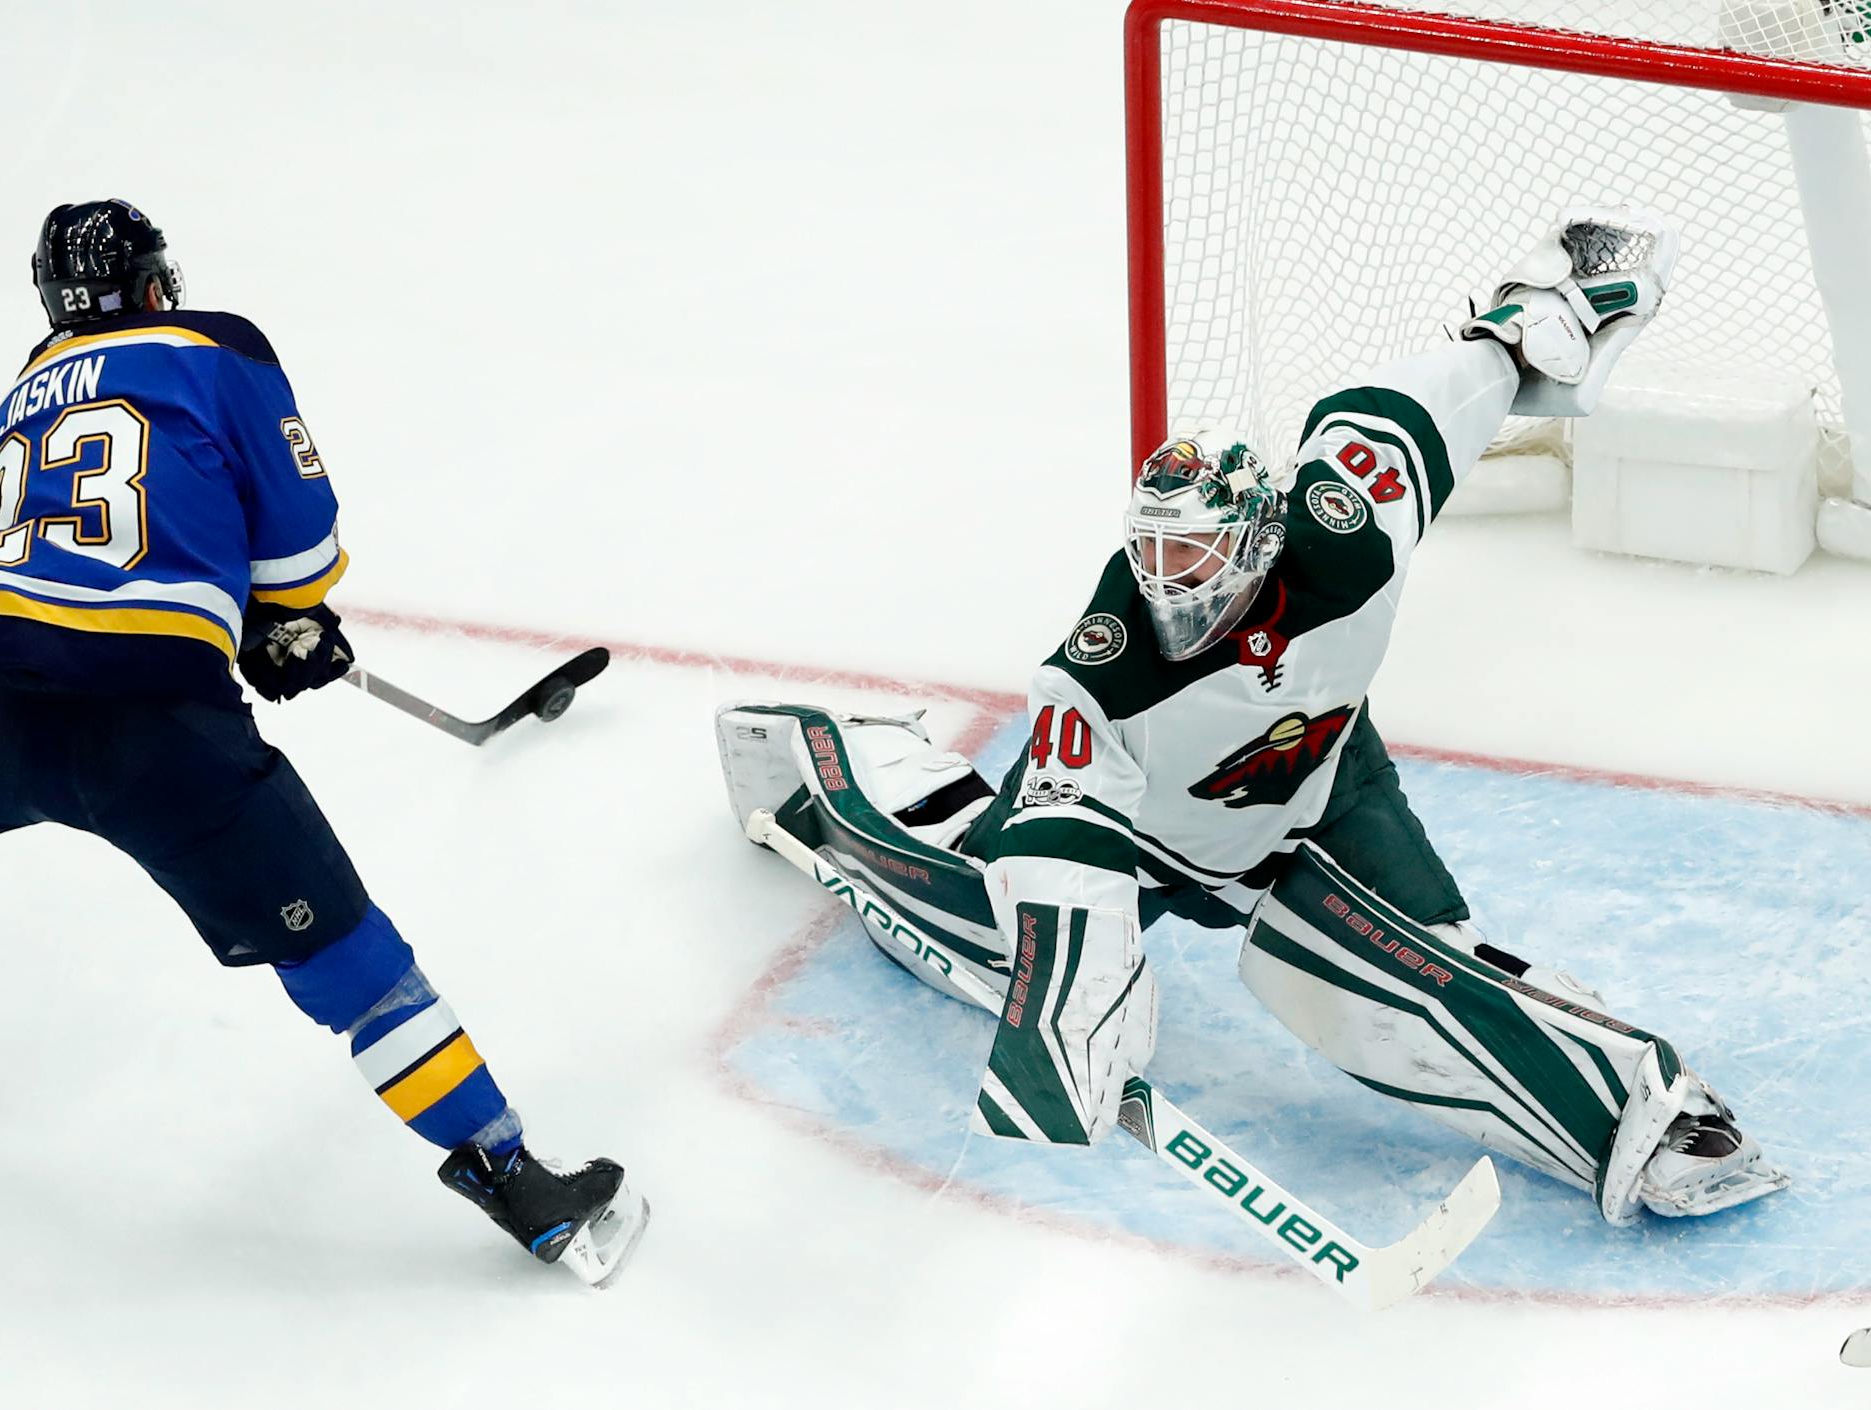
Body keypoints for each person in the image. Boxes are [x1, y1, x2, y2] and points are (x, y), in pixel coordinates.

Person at [716, 206, 1787, 1226]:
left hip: (1319, 792)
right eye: (1152, 552)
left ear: (1258, 539)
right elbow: (1062, 857)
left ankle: (1658, 1120)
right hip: (1144, 836)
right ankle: (830, 765)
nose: (1167, 582)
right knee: (988, 929)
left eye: (1193, 555)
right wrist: (1073, 1030)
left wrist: (1520, 330)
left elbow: (1411, 407)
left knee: (1417, 977)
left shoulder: (1346, 535)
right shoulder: (1105, 667)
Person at [0, 199, 646, 1286]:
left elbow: (66, 553)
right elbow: (298, 550)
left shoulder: (20, 389)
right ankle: (514, 1179)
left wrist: (253, 619)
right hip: (158, 736)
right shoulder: (216, 348)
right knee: (348, 960)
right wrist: (287, 624)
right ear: (151, 282)